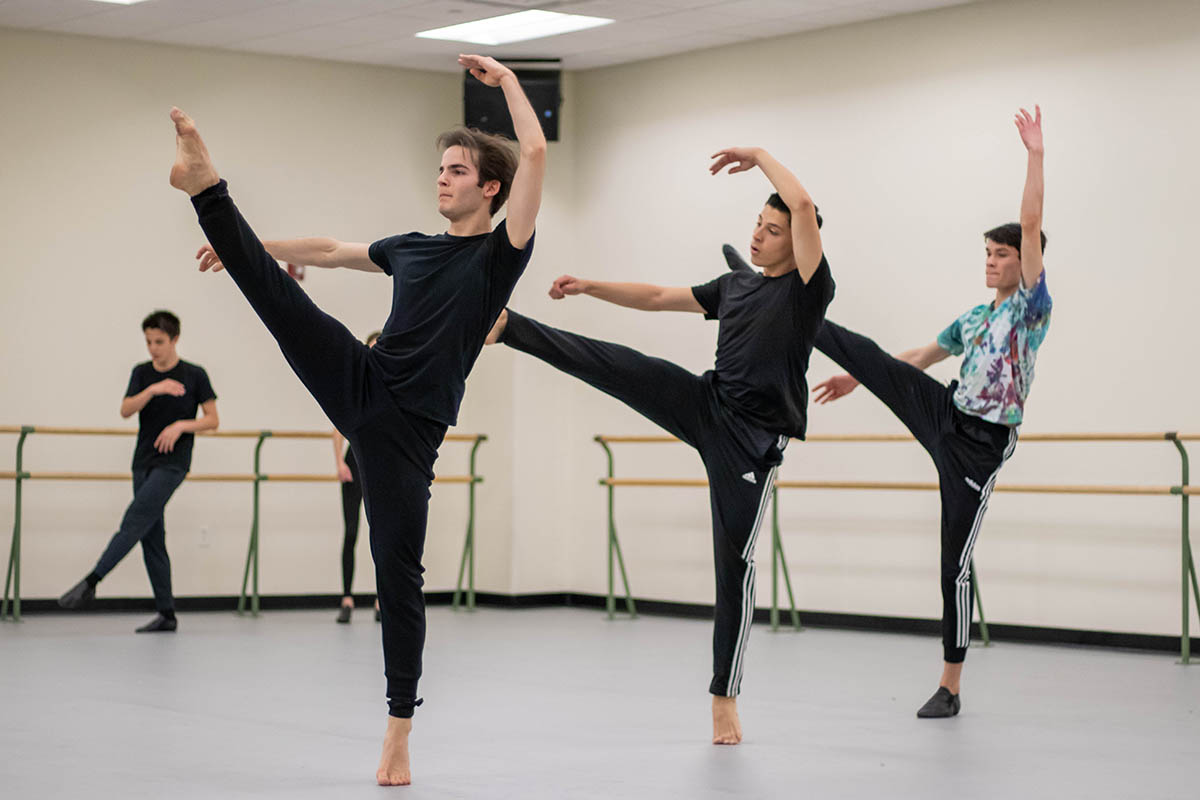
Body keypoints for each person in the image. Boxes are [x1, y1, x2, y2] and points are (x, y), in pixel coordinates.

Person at [168, 53, 544, 786]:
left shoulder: (499, 259)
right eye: (441, 168)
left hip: (409, 436)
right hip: (365, 382)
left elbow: (532, 151)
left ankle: (398, 728)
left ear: (490, 188)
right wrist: (250, 247)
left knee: (397, 576)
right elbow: (331, 252)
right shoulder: (411, 249)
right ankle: (207, 188)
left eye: (458, 171)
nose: (443, 177)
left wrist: (505, 83)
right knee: (284, 309)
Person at [486, 146, 831, 745]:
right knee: (624, 367)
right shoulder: (734, 288)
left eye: (773, 231)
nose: (758, 236)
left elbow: (801, 203)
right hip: (708, 404)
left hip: (750, 445)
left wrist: (759, 156)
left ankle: (725, 695)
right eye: (757, 223)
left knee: (735, 568)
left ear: (795, 242)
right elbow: (655, 297)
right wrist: (592, 286)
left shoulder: (807, 292)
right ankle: (509, 326)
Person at [808, 106, 1051, 718]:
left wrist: (1035, 155)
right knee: (867, 351)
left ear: (1024, 261)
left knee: (953, 565)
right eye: (989, 253)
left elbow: (1031, 220)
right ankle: (788, 302)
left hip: (979, 444)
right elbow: (920, 353)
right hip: (945, 409)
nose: (993, 260)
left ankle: (950, 685)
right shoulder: (975, 316)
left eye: (1003, 253)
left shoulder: (1030, 309)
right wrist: (860, 378)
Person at [58, 310, 219, 633]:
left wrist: (180, 425)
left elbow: (212, 419)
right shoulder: (141, 373)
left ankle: (92, 580)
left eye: (159, 341)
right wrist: (153, 391)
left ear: (174, 340)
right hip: (142, 461)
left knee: (135, 519)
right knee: (151, 536)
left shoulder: (194, 375)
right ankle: (167, 614)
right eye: (148, 342)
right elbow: (125, 410)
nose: (153, 348)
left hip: (173, 464)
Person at [334, 331, 381, 624]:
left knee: (382, 534)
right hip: (355, 460)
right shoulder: (358, 385)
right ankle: (347, 598)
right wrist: (338, 461)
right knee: (351, 531)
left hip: (381, 463)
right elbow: (339, 425)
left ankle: (382, 599)